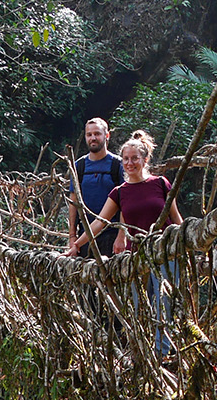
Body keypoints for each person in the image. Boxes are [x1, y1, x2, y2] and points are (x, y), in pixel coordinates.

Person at [66, 130, 183, 354]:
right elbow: (98, 223)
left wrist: (190, 246)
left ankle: (161, 354)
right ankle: (140, 353)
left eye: (134, 158)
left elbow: (177, 220)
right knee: (137, 307)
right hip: (136, 256)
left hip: (165, 253)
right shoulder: (120, 192)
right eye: (126, 159)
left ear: (145, 159)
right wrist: (76, 245)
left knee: (163, 304)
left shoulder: (161, 183)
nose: (130, 163)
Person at [67, 117, 124, 258]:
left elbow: (125, 203)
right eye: (89, 134)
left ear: (107, 135)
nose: (93, 138)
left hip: (112, 235)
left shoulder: (118, 165)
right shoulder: (79, 166)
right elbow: (73, 202)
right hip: (84, 236)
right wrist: (72, 236)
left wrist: (122, 236)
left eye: (97, 134)